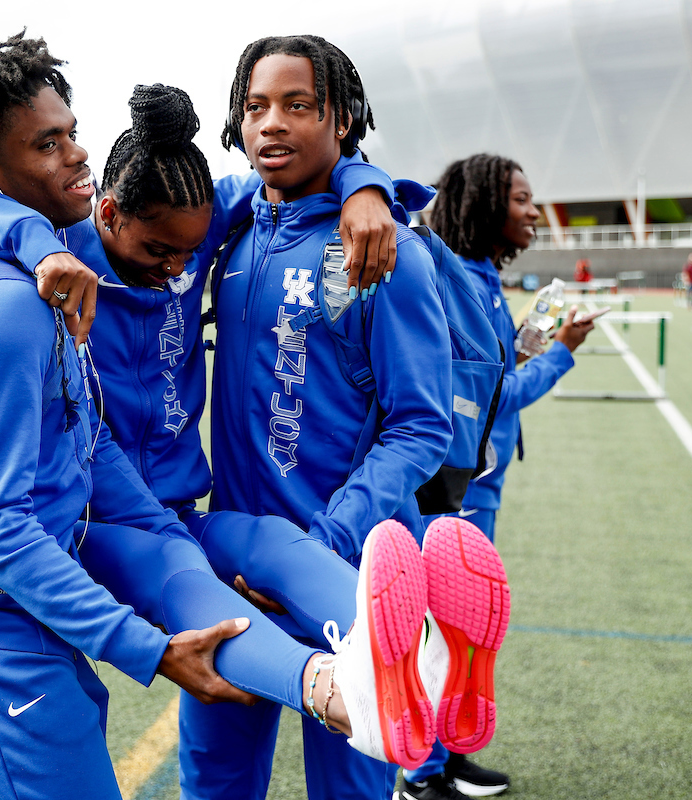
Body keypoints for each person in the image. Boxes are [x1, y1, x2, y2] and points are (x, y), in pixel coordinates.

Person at [0, 32, 431, 800]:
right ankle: (356, 679)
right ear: (107, 215)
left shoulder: (200, 220)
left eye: (72, 134)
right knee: (177, 603)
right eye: (50, 141)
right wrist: (35, 242)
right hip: (54, 533)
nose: (179, 267)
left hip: (161, 509)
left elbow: (284, 186)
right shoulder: (43, 271)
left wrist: (367, 184)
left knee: (246, 549)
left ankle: (392, 666)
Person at [198, 34, 496, 800]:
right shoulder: (227, 231)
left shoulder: (382, 250)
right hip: (229, 569)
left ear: (343, 119)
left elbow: (422, 424)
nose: (273, 124)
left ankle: (433, 666)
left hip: (349, 574)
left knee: (352, 787)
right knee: (216, 783)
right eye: (257, 105)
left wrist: (324, 539)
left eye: (300, 105)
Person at [393, 154, 598, 800]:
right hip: (448, 487)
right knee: (437, 629)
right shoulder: (449, 279)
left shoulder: (478, 274)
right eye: (521, 198)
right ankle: (417, 774)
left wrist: (535, 339)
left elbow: (494, 370)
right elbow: (492, 393)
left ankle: (448, 755)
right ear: (484, 204)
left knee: (466, 625)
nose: (533, 210)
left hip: (479, 484)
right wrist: (562, 353)